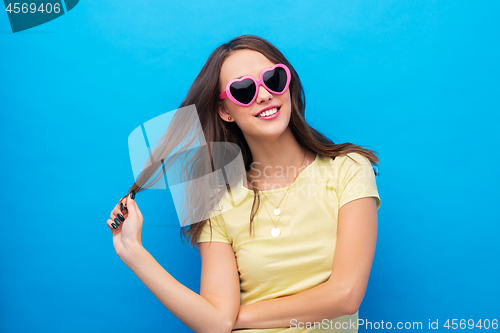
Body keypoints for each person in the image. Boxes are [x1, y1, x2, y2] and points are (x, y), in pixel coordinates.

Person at [107, 35, 381, 333]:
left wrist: (230, 319)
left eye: (274, 79)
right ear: (224, 111)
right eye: (243, 89)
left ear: (288, 85)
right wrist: (132, 251)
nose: (264, 95)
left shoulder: (348, 169)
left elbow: (345, 297)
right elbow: (214, 322)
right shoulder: (216, 202)